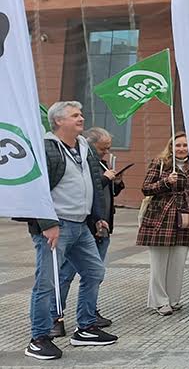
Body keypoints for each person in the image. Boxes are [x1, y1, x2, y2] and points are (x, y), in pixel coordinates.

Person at [22, 102, 118, 361]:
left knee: (94, 271)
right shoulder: (46, 147)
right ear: (58, 121)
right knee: (46, 283)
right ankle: (38, 338)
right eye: (75, 115)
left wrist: (98, 217)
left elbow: (95, 183)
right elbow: (36, 188)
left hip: (81, 224)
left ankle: (85, 327)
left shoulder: (83, 145)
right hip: (56, 226)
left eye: (81, 114)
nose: (81, 118)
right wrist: (47, 224)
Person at [50, 127, 122, 337]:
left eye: (108, 149)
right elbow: (85, 189)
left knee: (94, 274)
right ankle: (55, 317)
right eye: (102, 149)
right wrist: (106, 179)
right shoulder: (78, 162)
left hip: (101, 225)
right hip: (80, 226)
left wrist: (115, 183)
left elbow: (101, 194)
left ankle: (89, 315)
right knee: (64, 275)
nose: (105, 153)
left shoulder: (99, 162)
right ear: (89, 145)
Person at [136, 133, 189, 316]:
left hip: (183, 219)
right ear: (171, 146)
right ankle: (159, 302)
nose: (181, 148)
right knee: (159, 264)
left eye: (185, 145)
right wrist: (165, 182)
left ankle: (173, 299)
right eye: (178, 145)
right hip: (160, 219)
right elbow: (146, 188)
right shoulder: (160, 163)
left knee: (178, 262)